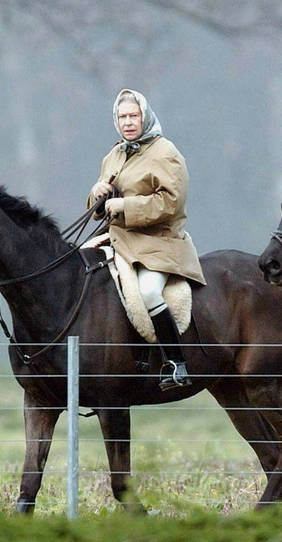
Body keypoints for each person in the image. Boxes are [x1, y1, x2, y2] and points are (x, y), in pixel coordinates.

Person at [88, 89, 206, 390]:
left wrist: (126, 206)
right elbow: (99, 209)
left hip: (159, 243)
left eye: (133, 115)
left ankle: (176, 364)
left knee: (149, 292)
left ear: (145, 116)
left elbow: (171, 202)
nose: (128, 122)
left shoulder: (165, 152)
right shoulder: (114, 155)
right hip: (119, 240)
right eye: (123, 116)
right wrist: (97, 194)